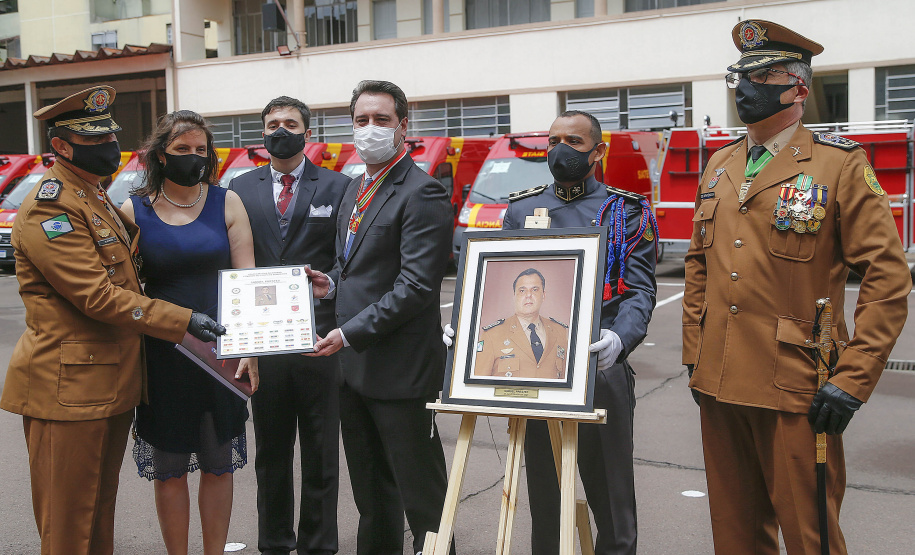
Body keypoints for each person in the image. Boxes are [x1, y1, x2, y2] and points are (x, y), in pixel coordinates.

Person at [682, 20, 911, 554]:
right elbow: (699, 265)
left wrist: (852, 379)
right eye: (738, 77)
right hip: (718, 381)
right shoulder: (720, 164)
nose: (743, 89)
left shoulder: (839, 166)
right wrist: (695, 351)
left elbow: (888, 278)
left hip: (797, 384)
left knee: (811, 536)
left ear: (798, 89)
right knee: (735, 535)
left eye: (761, 77)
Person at [0, 87, 224, 555]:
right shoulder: (52, 206)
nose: (108, 147)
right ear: (61, 146)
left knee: (98, 512)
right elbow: (97, 296)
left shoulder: (94, 198)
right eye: (93, 138)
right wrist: (182, 319)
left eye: (110, 136)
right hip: (69, 389)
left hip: (106, 384)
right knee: (68, 523)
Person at [307, 80, 454, 555]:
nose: (370, 129)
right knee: (372, 500)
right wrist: (329, 283)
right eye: (362, 120)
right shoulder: (355, 188)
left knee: (424, 502)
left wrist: (348, 333)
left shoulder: (422, 192)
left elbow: (415, 287)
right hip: (354, 372)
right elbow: (356, 268)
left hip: (402, 373)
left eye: (382, 120)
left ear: (403, 127)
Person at [501, 111, 657, 555]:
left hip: (597, 366)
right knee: (545, 500)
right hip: (537, 372)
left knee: (611, 496)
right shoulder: (521, 210)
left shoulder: (625, 212)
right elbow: (503, 283)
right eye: (553, 140)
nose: (560, 149)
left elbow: (640, 292)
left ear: (598, 151)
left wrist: (620, 340)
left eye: (573, 140)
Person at [121, 110, 258, 555]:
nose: (193, 158)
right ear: (162, 154)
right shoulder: (132, 209)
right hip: (163, 355)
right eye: (183, 150)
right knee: (170, 469)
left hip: (221, 352)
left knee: (220, 467)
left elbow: (248, 281)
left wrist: (249, 351)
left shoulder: (227, 202)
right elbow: (124, 291)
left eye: (201, 150)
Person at [229, 95, 349, 555]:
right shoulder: (240, 187)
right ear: (263, 132)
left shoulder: (339, 187)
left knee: (321, 450)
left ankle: (319, 545)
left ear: (306, 132)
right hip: (263, 340)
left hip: (319, 338)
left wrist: (332, 284)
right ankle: (275, 543)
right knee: (271, 453)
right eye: (273, 123)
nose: (281, 129)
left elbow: (346, 259)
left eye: (290, 122)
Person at [473, 268, 570, 379]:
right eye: (522, 290)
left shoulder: (560, 331)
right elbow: (478, 384)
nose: (528, 295)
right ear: (514, 296)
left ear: (543, 295)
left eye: (535, 289)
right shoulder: (492, 335)